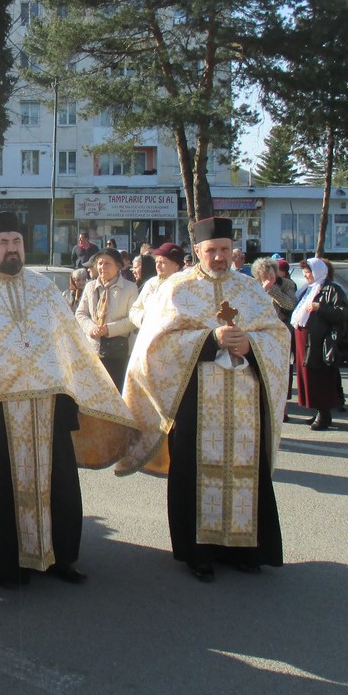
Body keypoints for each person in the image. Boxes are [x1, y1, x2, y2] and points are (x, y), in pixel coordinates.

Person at [0, 212, 136, 586]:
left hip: (48, 408)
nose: (11, 248)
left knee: (57, 485)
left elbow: (72, 346)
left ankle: (59, 557)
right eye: (3, 242)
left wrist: (78, 392)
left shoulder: (45, 289)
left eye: (16, 241)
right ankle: (0, 566)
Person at [121, 217, 289, 583]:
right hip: (195, 401)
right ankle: (197, 552)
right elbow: (155, 345)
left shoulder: (250, 290)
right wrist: (210, 339)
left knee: (246, 470)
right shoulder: (176, 289)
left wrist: (252, 344)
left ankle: (243, 549)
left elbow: (278, 335)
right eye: (211, 251)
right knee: (194, 471)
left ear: (233, 251)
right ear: (197, 250)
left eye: (225, 250)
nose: (218, 257)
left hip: (244, 405)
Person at [291, 258, 348, 431]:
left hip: (319, 341)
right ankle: (318, 410)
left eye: (308, 272)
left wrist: (320, 307)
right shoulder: (307, 290)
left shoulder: (332, 289)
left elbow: (342, 313)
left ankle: (324, 413)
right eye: (304, 273)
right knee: (308, 377)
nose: (306, 276)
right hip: (305, 339)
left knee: (320, 377)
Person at [76, 248, 138, 390]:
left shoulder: (130, 288)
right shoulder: (90, 287)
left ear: (118, 266)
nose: (102, 267)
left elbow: (132, 319)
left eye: (107, 264)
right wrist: (92, 328)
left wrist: (109, 329)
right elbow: (80, 313)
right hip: (94, 349)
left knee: (116, 391)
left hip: (119, 352)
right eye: (99, 263)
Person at [129, 242, 184, 329]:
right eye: (156, 262)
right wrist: (144, 318)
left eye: (162, 262)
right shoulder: (151, 283)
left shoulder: (185, 285)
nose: (157, 266)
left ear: (176, 265)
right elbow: (134, 310)